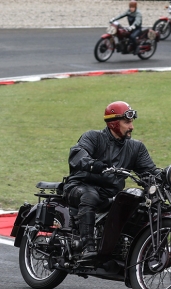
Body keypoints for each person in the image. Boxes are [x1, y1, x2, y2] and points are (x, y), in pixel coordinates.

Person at [63, 101, 157, 260]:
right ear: (114, 123)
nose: (131, 126)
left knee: (137, 201)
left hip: (110, 194)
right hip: (79, 186)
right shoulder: (93, 137)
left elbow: (149, 170)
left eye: (132, 122)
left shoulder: (136, 148)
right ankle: (87, 247)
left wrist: (165, 176)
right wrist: (93, 164)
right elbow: (78, 154)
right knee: (90, 195)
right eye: (127, 122)